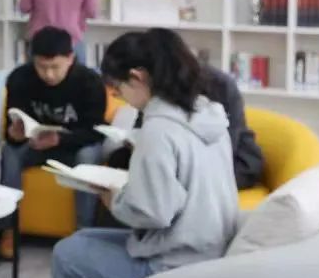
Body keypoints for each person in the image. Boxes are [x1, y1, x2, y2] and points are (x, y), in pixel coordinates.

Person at [28, 28, 239, 278]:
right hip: (207, 247)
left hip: (174, 263)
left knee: (67, 254)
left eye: (119, 88)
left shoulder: (159, 130)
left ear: (138, 77)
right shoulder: (208, 114)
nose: (122, 98)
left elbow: (153, 213)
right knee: (82, 240)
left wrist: (114, 199)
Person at [104, 50, 265, 191]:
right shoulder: (155, 85)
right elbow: (143, 128)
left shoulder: (219, 85)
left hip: (232, 162)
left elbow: (223, 144)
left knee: (164, 175)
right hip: (178, 154)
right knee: (119, 160)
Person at [1, 26, 106, 242]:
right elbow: (11, 129)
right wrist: (14, 135)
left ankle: (83, 232)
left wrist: (60, 139)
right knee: (9, 152)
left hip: (75, 147)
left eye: (55, 67)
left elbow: (96, 131)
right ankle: (8, 227)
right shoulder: (20, 78)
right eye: (42, 67)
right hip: (35, 145)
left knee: (88, 156)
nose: (48, 74)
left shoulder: (89, 82)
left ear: (70, 58)